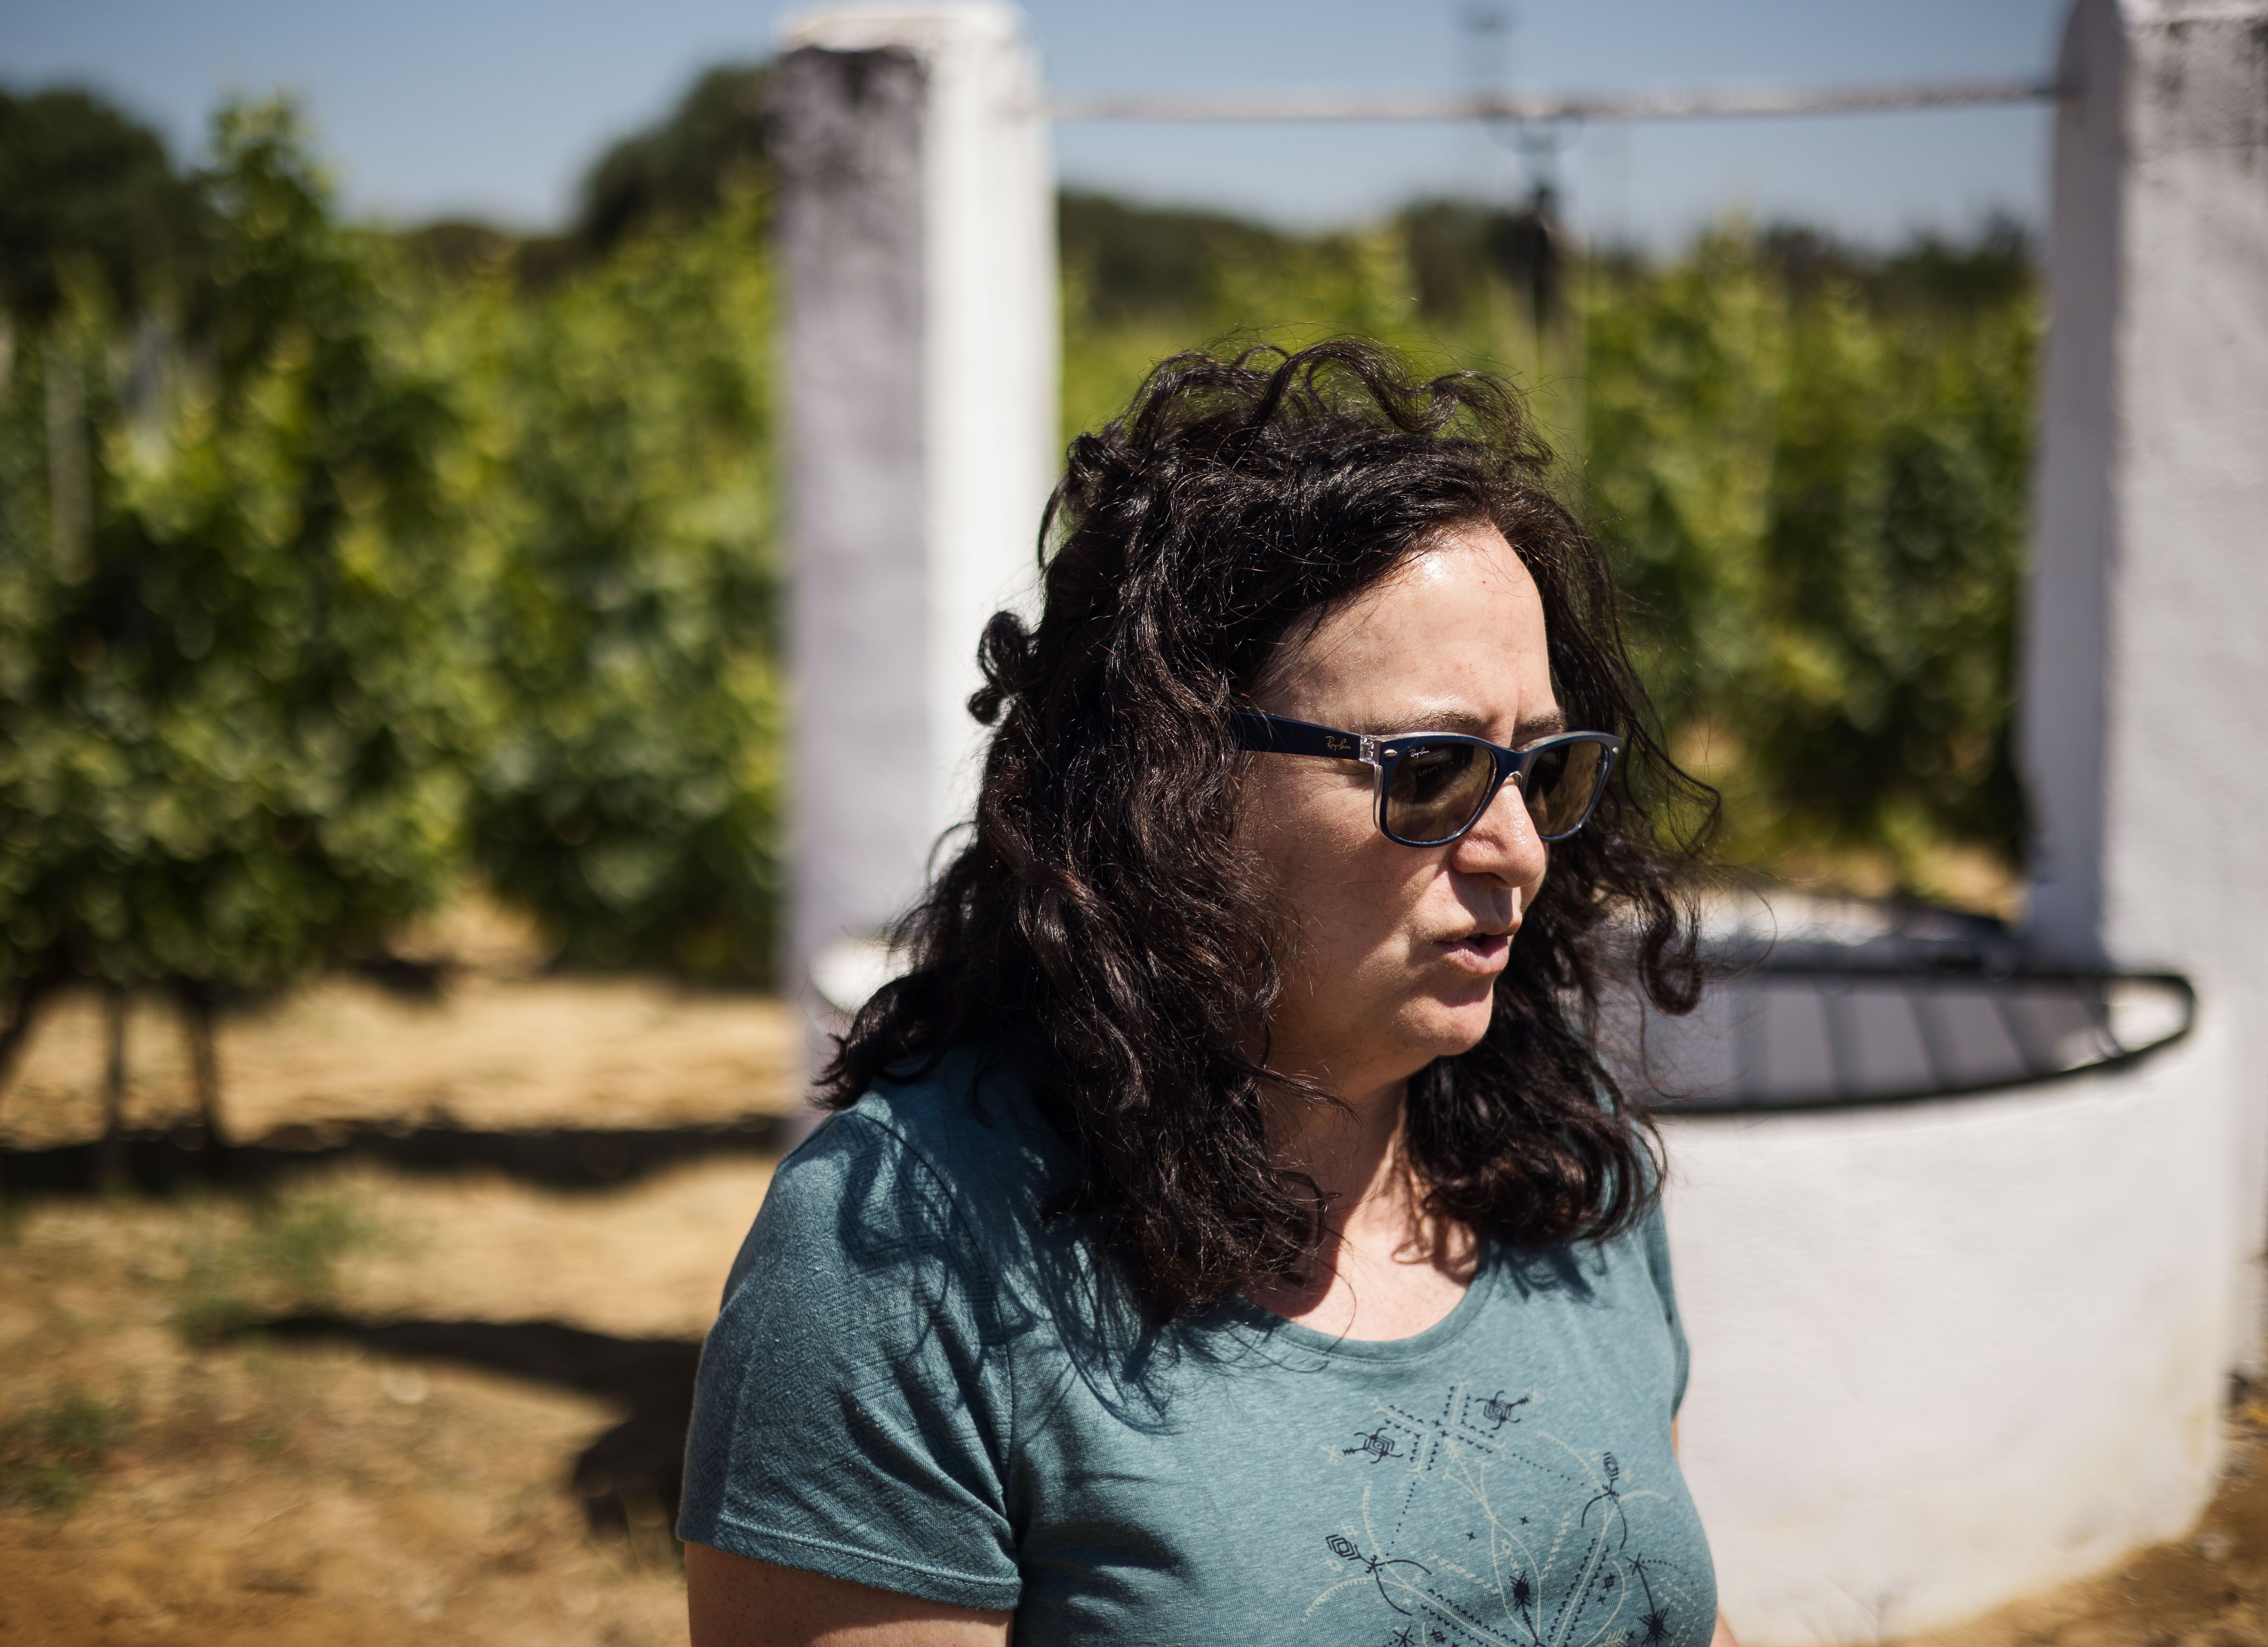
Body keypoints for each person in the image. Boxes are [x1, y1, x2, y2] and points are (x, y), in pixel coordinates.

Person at [680, 341, 1735, 1647]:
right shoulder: (901, 1260)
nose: (1517, 845)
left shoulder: (1557, 1160)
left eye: (1542, 770)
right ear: (1170, 789)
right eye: (1434, 769)